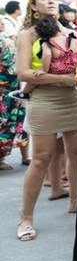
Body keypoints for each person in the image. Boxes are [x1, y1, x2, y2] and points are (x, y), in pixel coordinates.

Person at [16, 0, 77, 240]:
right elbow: (23, 73)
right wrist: (62, 80)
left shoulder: (71, 31)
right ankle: (25, 218)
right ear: (34, 7)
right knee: (41, 158)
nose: (51, 1)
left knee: (76, 154)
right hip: (45, 100)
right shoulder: (28, 34)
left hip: (75, 100)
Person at [0, 18, 29, 169]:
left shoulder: (9, 41)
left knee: (20, 123)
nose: (1, 22)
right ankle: (1, 160)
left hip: (14, 90)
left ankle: (25, 156)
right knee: (4, 125)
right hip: (3, 92)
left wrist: (22, 90)